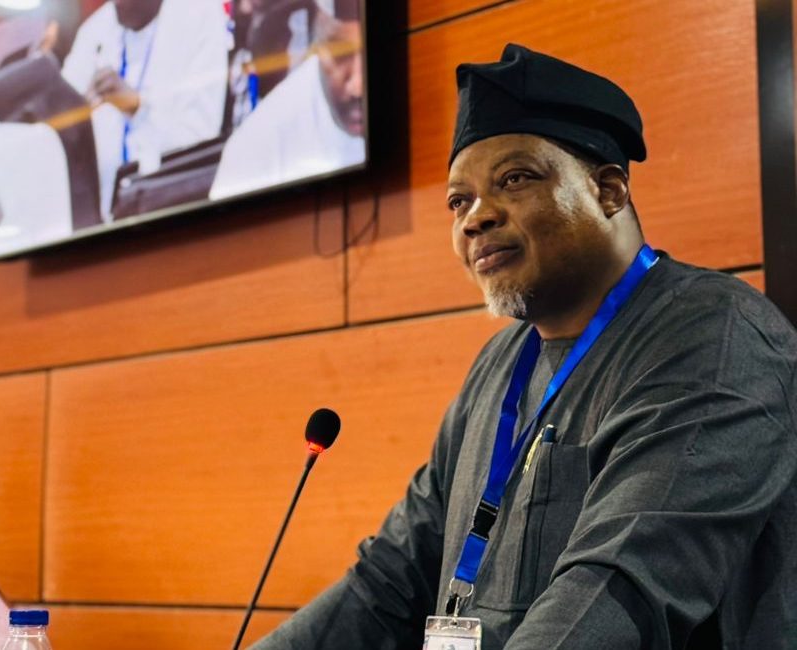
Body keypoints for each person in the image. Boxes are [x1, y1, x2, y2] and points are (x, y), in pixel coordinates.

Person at [250, 44, 797, 649]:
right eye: (459, 201)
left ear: (608, 190)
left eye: (515, 179)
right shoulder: (501, 363)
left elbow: (617, 590)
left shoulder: (712, 336)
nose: (475, 218)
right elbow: (392, 577)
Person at [61, 0, 230, 218]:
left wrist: (137, 109)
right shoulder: (94, 30)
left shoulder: (198, 12)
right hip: (104, 222)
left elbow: (199, 142)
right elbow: (62, 125)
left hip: (174, 212)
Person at [209, 0, 365, 200]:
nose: (358, 86)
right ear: (318, 40)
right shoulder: (254, 152)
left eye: (371, 52)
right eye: (340, 54)